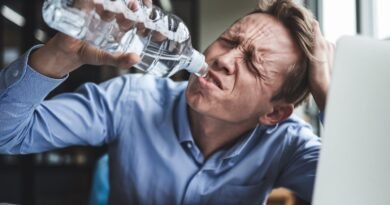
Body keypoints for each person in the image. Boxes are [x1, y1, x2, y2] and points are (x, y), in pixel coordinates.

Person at [0, 0, 333, 204]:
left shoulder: (287, 144)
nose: (225, 59)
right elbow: (7, 134)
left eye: (252, 63)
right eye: (229, 39)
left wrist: (330, 97)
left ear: (274, 112)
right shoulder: (132, 100)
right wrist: (59, 55)